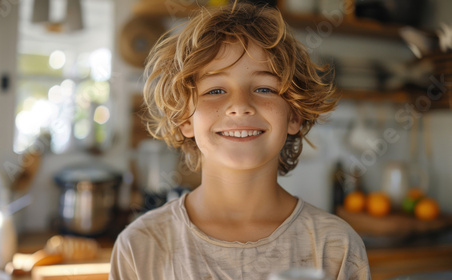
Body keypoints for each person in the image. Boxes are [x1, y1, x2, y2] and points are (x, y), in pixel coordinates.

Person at [109, 1, 370, 279]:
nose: (240, 105)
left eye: (264, 88)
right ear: (185, 120)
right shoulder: (141, 246)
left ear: (294, 115)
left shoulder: (336, 246)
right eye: (216, 90)